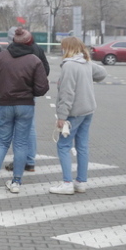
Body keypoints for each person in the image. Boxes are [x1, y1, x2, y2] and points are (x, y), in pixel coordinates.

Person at [0, 27, 49, 194]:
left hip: (4, 104)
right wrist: (31, 92)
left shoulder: (1, 57)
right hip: (25, 105)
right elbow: (42, 87)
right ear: (28, 42)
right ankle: (16, 181)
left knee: (2, 142)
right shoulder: (33, 60)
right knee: (21, 143)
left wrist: (1, 88)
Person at [48, 37, 106, 194]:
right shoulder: (86, 63)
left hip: (74, 112)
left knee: (63, 146)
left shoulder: (69, 66)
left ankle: (67, 183)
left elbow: (67, 93)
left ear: (67, 48)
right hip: (88, 110)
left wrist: (61, 116)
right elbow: (102, 73)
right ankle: (81, 181)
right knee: (82, 145)